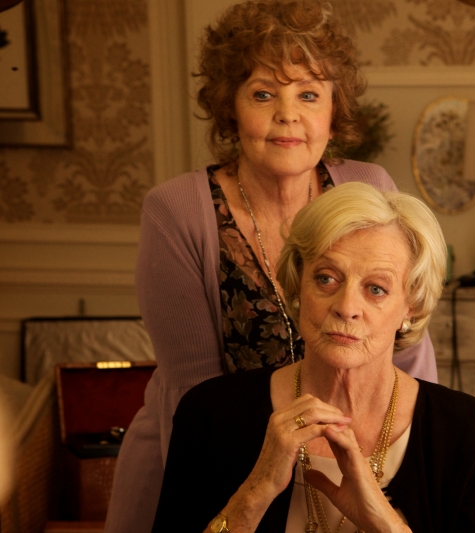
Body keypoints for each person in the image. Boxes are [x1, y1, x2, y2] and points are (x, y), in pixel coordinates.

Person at [104, 2, 437, 531]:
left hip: (360, 460)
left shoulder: (368, 188)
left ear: (333, 109)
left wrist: (402, 478)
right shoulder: (177, 212)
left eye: (309, 94)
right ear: (230, 107)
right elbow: (196, 399)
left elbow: (410, 356)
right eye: (263, 94)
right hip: (226, 470)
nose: (288, 114)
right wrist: (258, 493)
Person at [151, 183, 475, 532]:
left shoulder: (468, 430)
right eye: (326, 279)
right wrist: (256, 491)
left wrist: (387, 524)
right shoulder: (210, 414)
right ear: (298, 285)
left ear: (410, 306)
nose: (346, 307)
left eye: (376, 289)